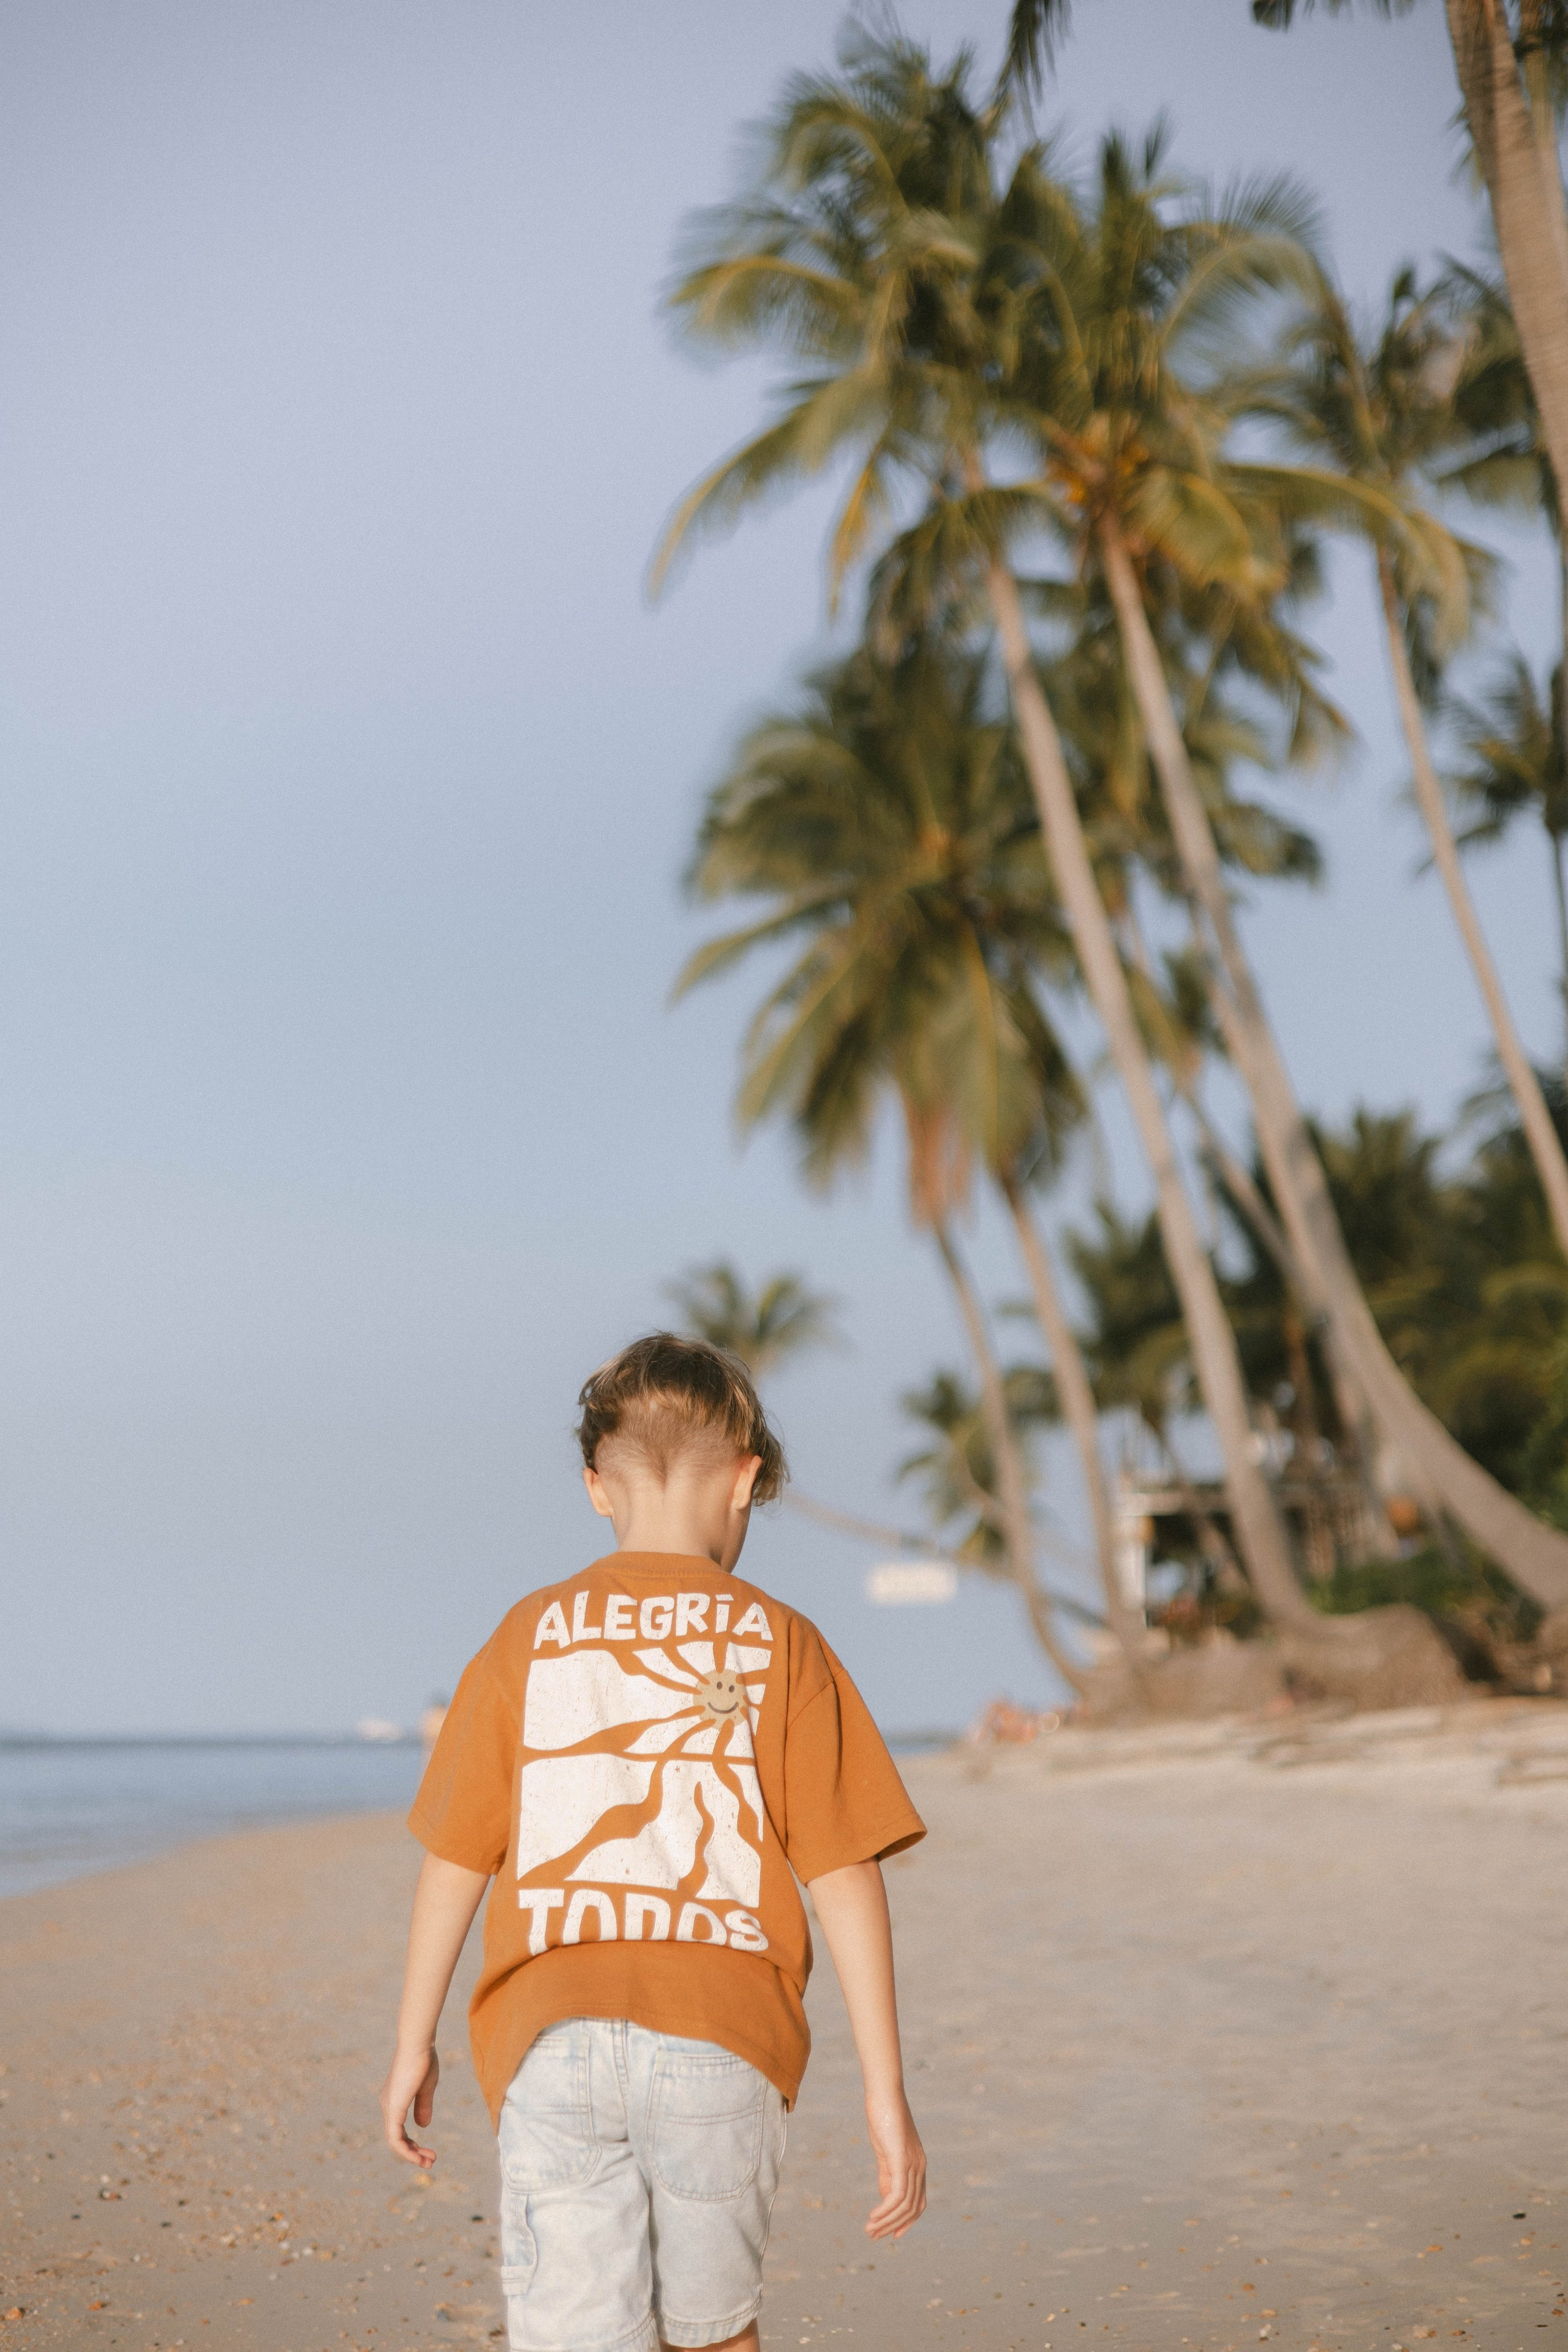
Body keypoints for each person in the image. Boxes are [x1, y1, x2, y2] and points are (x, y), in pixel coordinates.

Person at [379, 1332, 928, 2352]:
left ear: (597, 1487)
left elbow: (455, 1857)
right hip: (722, 2043)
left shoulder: (526, 1636)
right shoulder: (786, 1642)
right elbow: (844, 1877)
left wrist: (413, 2041)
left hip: (551, 2040)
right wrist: (885, 2092)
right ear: (746, 1481)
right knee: (715, 2334)